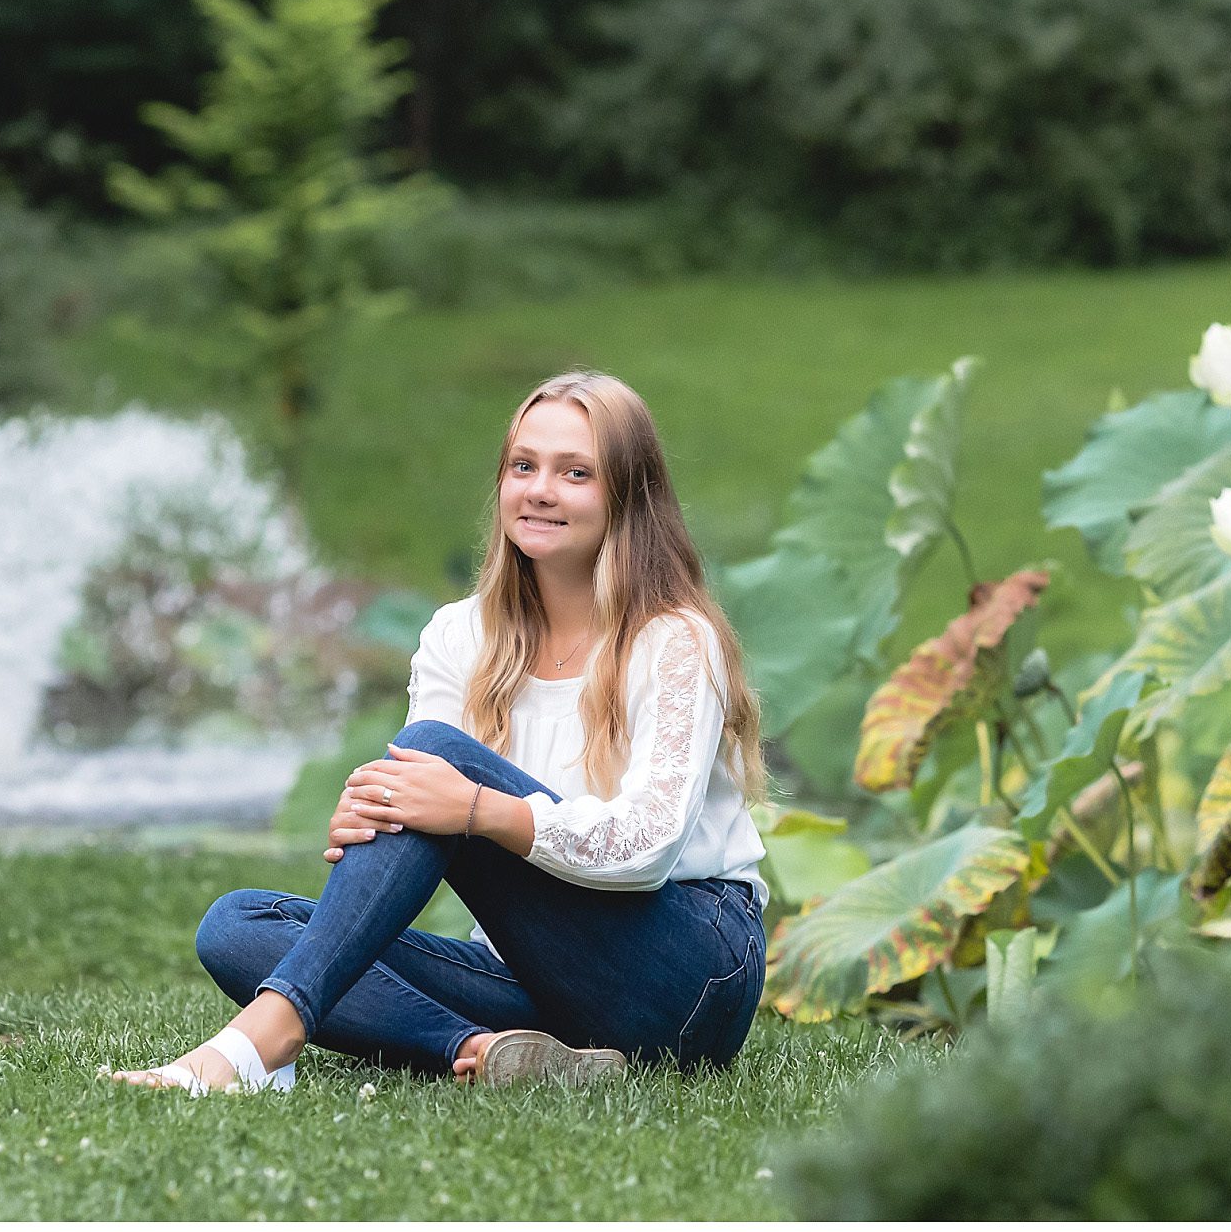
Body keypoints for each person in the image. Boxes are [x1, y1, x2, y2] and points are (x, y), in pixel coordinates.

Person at [109, 369, 770, 1095]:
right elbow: (419, 797)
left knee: (437, 757)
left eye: (575, 472)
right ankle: (490, 1050)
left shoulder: (673, 639)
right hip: (537, 974)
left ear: (626, 494)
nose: (540, 489)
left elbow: (647, 847)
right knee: (238, 926)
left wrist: (475, 810)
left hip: (688, 975)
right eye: (524, 466)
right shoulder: (461, 635)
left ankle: (266, 1040)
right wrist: (378, 814)